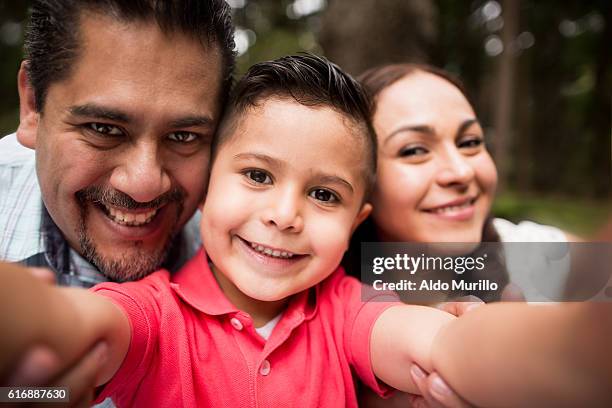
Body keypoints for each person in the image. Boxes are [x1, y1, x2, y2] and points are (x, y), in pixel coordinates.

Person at [1, 54, 611, 408]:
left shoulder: (349, 309)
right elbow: (81, 327)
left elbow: (445, 345)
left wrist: (575, 350)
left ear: (356, 219)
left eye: (323, 194)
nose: (286, 214)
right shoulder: (156, 314)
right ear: (206, 180)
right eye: (258, 175)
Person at [0, 0, 235, 403]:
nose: (144, 184)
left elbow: (378, 277)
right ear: (33, 106)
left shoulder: (254, 242)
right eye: (103, 128)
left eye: (183, 137)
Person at [347, 63, 580, 407]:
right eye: (414, 150)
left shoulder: (542, 257)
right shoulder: (325, 313)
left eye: (470, 142)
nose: (460, 171)